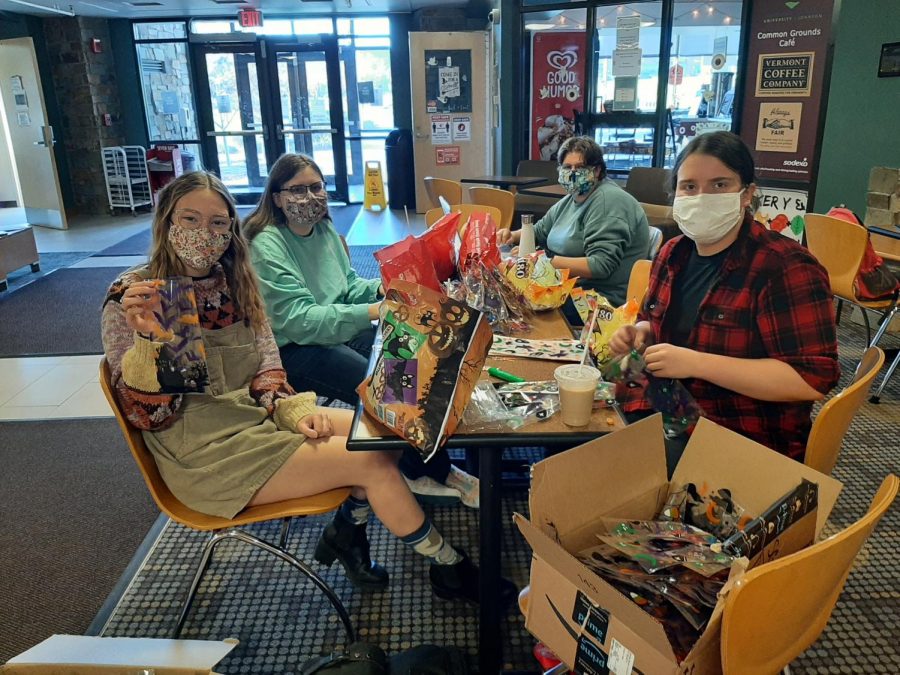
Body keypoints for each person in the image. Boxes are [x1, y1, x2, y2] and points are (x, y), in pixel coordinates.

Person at [101, 171, 515, 605]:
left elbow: (267, 365)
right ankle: (450, 568)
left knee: (384, 429)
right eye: (190, 220)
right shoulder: (150, 297)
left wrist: (293, 410)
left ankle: (347, 532)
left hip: (256, 419)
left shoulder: (232, 280)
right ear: (165, 221)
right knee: (371, 465)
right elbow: (153, 415)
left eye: (219, 223)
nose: (205, 234)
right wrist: (152, 340)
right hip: (204, 454)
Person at [243, 154, 479, 509]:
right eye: (297, 190)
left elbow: (347, 285)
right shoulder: (267, 244)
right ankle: (415, 470)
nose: (309, 198)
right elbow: (298, 320)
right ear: (276, 197)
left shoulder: (322, 230)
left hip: (333, 328)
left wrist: (383, 290)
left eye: (316, 187)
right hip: (294, 347)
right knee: (385, 387)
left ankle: (430, 463)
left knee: (409, 354)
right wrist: (373, 310)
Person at [609, 131, 840, 470]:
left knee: (604, 465)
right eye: (689, 187)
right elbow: (651, 317)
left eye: (719, 185)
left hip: (741, 437)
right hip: (672, 408)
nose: (701, 197)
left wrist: (696, 363)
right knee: (573, 430)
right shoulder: (674, 253)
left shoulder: (785, 267)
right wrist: (640, 331)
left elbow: (809, 379)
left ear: (747, 194)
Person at [497, 136, 649, 306]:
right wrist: (513, 235)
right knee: (502, 289)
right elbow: (540, 230)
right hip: (565, 287)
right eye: (567, 167)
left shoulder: (609, 202)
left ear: (597, 170)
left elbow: (600, 265)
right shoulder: (573, 198)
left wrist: (544, 261)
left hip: (597, 301)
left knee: (513, 302)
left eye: (580, 167)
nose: (573, 173)